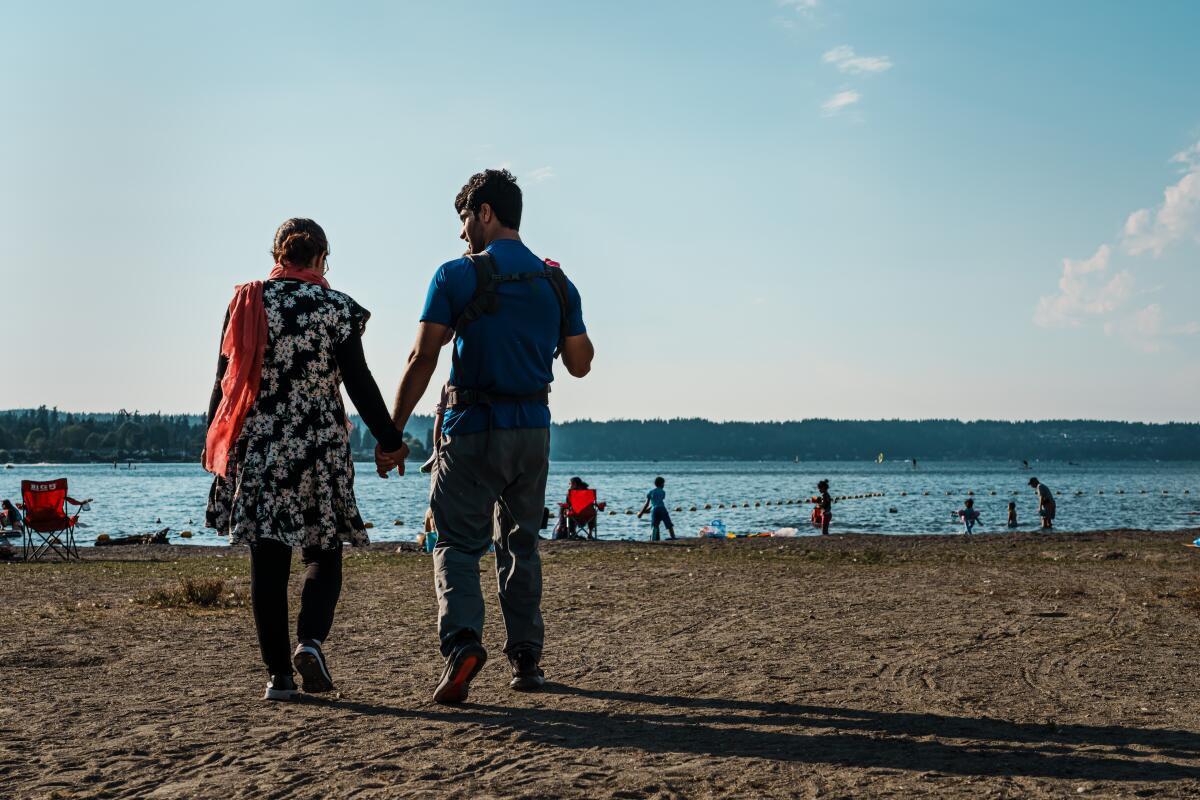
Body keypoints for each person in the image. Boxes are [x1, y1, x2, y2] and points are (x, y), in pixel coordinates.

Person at [376, 169, 593, 704]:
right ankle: (526, 660)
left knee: (454, 541)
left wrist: (392, 433)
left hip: (471, 429)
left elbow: (423, 356)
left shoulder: (456, 275)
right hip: (533, 433)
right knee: (521, 543)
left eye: (465, 218)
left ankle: (464, 645)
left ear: (486, 212)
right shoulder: (557, 283)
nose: (461, 232)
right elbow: (581, 364)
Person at [204, 218, 407, 702]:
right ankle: (310, 642)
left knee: (268, 563)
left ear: (279, 258)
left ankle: (278, 678)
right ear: (321, 259)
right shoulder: (336, 308)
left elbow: (224, 380)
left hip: (261, 445)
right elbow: (359, 382)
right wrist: (390, 439)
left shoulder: (248, 302)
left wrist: (215, 440)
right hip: (318, 447)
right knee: (323, 553)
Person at [637, 476, 675, 541]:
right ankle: (673, 537)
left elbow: (648, 504)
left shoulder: (650, 492)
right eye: (663, 484)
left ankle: (654, 539)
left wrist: (641, 513)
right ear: (661, 484)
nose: (664, 485)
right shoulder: (663, 492)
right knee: (669, 525)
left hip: (654, 510)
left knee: (655, 525)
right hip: (662, 509)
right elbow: (658, 502)